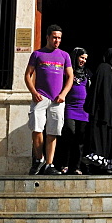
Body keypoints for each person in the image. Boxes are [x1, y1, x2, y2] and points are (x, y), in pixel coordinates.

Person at [24, 24, 73, 175]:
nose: (57, 40)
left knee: (53, 131)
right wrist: (33, 92)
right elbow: (27, 75)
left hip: (57, 100)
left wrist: (63, 94)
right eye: (54, 37)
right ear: (48, 37)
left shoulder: (64, 55)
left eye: (59, 38)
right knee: (37, 128)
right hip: (40, 97)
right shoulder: (37, 54)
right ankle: (39, 159)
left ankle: (49, 164)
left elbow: (70, 77)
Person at [84, 48, 112, 174]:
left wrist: (89, 106)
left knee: (101, 138)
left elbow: (96, 90)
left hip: (102, 113)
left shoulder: (103, 68)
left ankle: (101, 164)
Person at [57, 47, 91, 174]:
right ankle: (64, 164)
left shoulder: (87, 73)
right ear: (75, 57)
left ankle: (76, 167)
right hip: (70, 108)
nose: (83, 61)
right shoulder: (67, 72)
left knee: (80, 140)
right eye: (81, 57)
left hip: (83, 110)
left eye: (85, 59)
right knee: (69, 135)